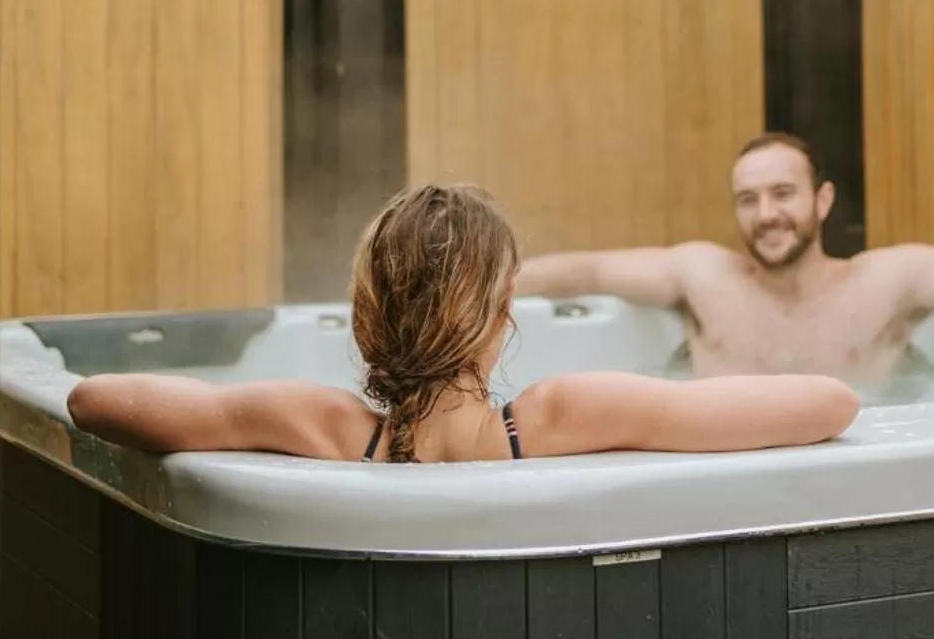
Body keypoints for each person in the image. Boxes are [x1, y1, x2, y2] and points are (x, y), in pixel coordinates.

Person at [66, 182, 858, 463]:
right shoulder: (561, 415)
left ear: (368, 311)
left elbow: (91, 398)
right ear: (503, 309)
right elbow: (829, 402)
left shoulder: (326, 427)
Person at [514, 132, 934, 387]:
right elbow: (589, 273)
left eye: (783, 193)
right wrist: (490, 287)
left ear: (822, 198)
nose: (766, 213)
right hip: (718, 474)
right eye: (747, 199)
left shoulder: (887, 280)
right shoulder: (703, 274)